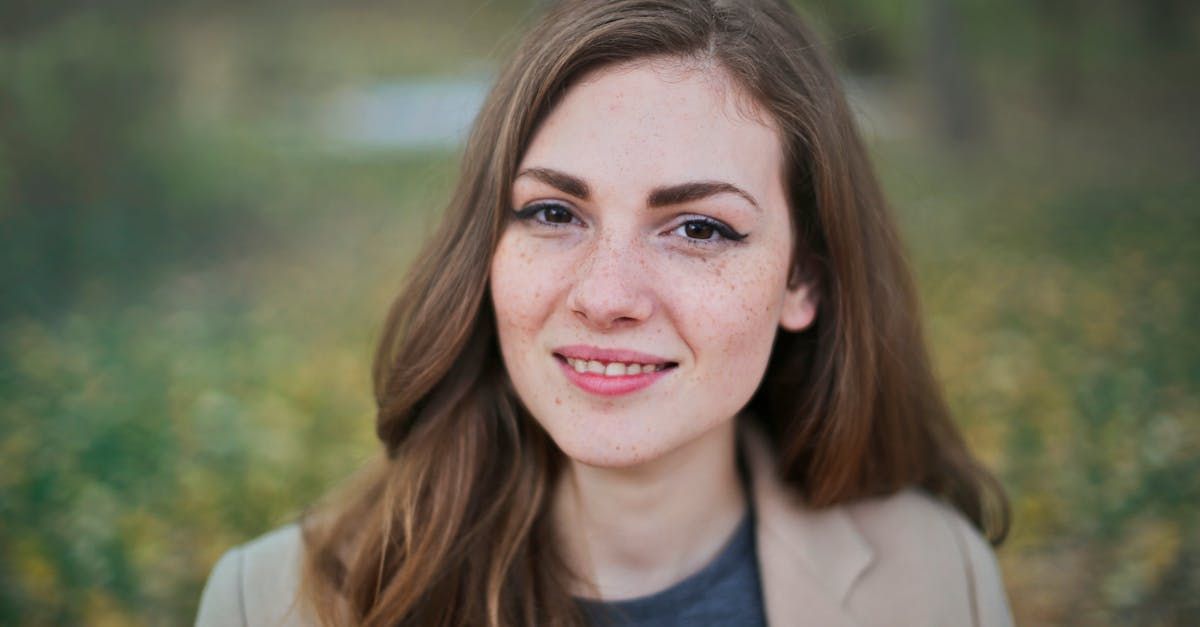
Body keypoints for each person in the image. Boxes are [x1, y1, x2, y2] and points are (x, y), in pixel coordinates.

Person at [196, 0, 1013, 625]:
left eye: (698, 228)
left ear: (804, 281)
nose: (606, 295)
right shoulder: (273, 602)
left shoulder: (941, 578)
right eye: (554, 213)